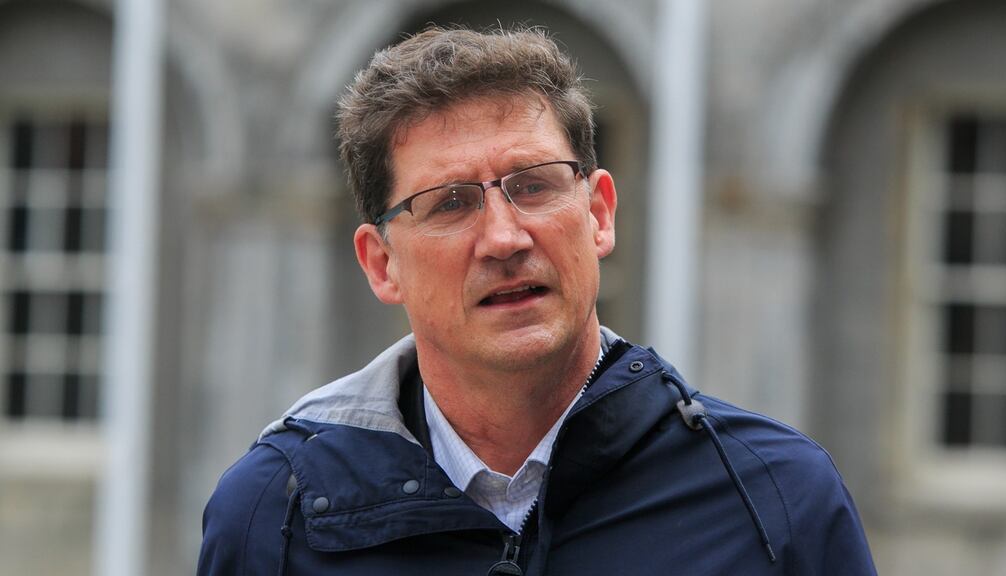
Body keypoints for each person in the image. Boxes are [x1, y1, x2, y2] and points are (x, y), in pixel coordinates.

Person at [198, 26, 876, 575]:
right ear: (383, 264)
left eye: (535, 185)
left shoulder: (775, 498)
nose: (503, 237)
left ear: (599, 214)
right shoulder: (273, 518)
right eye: (450, 203)